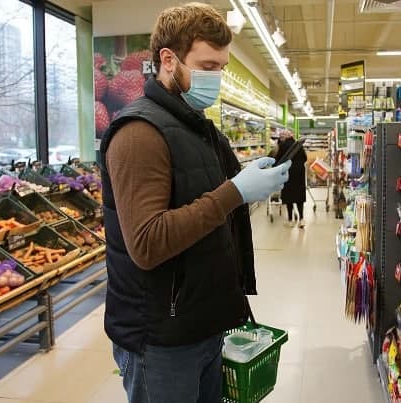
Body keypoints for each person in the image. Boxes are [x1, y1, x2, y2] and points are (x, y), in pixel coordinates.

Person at [96, 3, 291, 402]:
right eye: (207, 66)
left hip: (202, 322)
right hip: (161, 337)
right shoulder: (138, 133)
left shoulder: (199, 127)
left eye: (221, 67)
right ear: (168, 59)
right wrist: (235, 192)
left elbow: (202, 200)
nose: (215, 77)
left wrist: (249, 175)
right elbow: (147, 243)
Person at [275, 132, 308, 228]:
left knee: (289, 196)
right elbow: (305, 158)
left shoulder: (283, 146)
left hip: (288, 172)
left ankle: (290, 220)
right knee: (299, 196)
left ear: (285, 137)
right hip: (299, 173)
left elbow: (278, 160)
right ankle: (301, 219)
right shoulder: (298, 145)